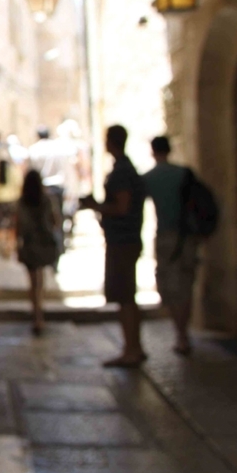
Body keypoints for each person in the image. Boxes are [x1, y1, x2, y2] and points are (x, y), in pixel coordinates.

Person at [79, 125, 147, 367]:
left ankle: (131, 350)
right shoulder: (124, 169)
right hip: (124, 239)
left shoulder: (122, 173)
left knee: (125, 296)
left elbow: (122, 207)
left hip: (123, 240)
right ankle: (134, 346)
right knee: (127, 296)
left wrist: (96, 206)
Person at [142, 136, 198, 355]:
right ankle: (184, 333)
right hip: (188, 238)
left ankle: (181, 334)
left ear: (153, 151)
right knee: (186, 284)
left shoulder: (149, 178)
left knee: (170, 287)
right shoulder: (184, 173)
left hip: (167, 237)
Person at [17, 169, 61, 335]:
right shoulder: (46, 200)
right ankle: (38, 315)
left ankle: (37, 314)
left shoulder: (23, 202)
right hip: (42, 244)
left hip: (30, 245)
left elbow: (19, 225)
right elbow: (55, 221)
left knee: (33, 283)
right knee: (39, 282)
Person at [29, 126, 76, 263]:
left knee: (41, 222)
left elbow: (31, 172)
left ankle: (45, 253)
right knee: (57, 220)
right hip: (57, 188)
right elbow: (65, 170)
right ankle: (58, 250)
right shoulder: (58, 149)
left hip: (41, 189)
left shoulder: (34, 150)